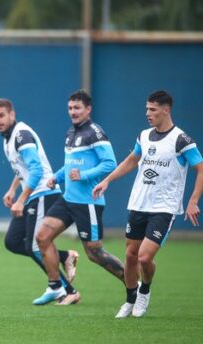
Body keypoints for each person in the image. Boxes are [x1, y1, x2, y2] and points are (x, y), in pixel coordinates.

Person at [92, 90, 203, 318]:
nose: (148, 113)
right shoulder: (144, 136)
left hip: (164, 208)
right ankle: (129, 300)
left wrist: (193, 201)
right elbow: (131, 161)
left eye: (153, 109)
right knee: (130, 256)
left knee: (145, 257)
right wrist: (107, 180)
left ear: (166, 110)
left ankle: (144, 290)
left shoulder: (181, 140)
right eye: (147, 109)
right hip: (138, 203)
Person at [35, 89, 125, 304]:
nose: (73, 112)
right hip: (68, 199)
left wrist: (84, 175)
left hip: (88, 203)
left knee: (95, 254)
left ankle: (135, 285)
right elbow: (70, 165)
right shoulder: (71, 133)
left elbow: (110, 164)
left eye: (77, 108)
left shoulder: (95, 132)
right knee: (42, 238)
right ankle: (60, 289)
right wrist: (57, 177)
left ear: (88, 109)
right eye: (70, 108)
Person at [0, 98, 80, 305]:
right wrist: (12, 189)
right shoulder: (8, 138)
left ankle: (66, 290)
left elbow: (37, 169)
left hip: (43, 195)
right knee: (13, 242)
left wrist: (20, 199)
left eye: (1, 115)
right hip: (32, 196)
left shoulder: (21, 135)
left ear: (12, 114)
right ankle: (64, 257)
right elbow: (22, 167)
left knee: (36, 246)